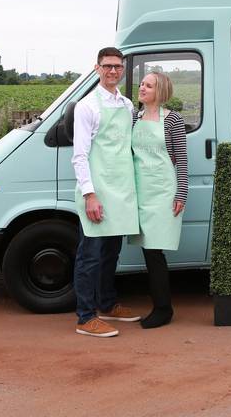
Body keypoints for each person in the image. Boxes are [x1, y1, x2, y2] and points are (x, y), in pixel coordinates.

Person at [71, 47, 142, 337]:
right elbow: (80, 155)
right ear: (97, 68)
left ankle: (107, 304)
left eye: (117, 66)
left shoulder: (126, 105)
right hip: (98, 192)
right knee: (90, 256)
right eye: (107, 66)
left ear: (123, 69)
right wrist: (90, 195)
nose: (113, 71)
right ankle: (85, 318)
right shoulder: (87, 107)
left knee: (111, 253)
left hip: (121, 192)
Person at [130, 71, 188, 328]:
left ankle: (163, 309)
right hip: (139, 190)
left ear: (160, 91)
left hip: (163, 192)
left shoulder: (173, 119)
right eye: (142, 84)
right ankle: (162, 306)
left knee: (154, 250)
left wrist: (181, 193)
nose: (142, 88)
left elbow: (182, 160)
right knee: (147, 249)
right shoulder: (134, 117)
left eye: (148, 86)